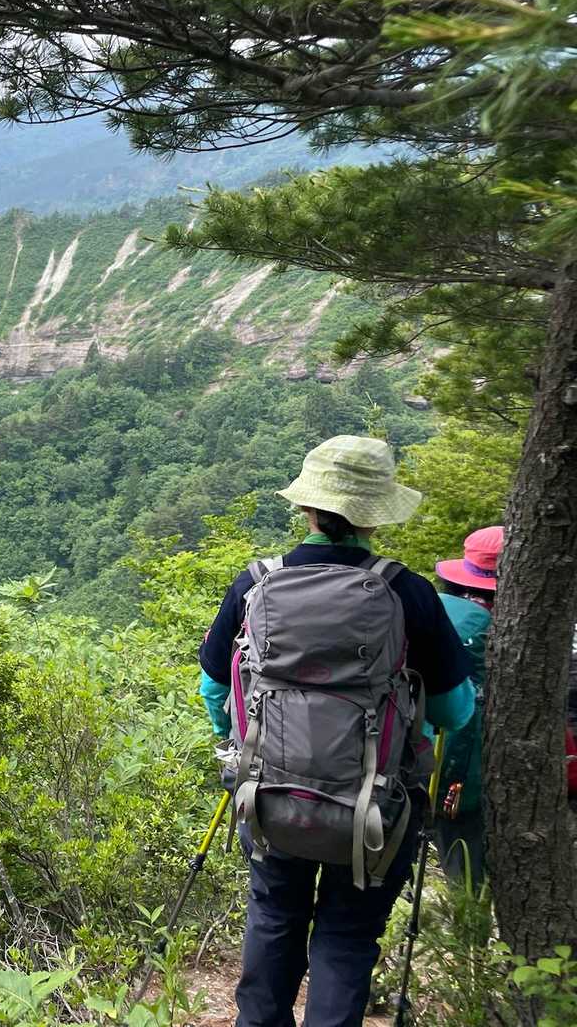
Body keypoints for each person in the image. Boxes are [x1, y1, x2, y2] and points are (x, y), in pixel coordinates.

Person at [197, 435, 475, 1027]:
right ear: (375, 515)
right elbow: (454, 712)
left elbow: (216, 690)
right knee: (347, 936)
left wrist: (239, 738)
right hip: (375, 808)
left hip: (270, 798)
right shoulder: (407, 592)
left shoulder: (256, 582)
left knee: (274, 917)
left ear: (308, 506)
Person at [432, 525, 503, 888]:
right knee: (470, 864)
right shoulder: (494, 627)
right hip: (469, 772)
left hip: (419, 759)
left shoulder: (435, 608)